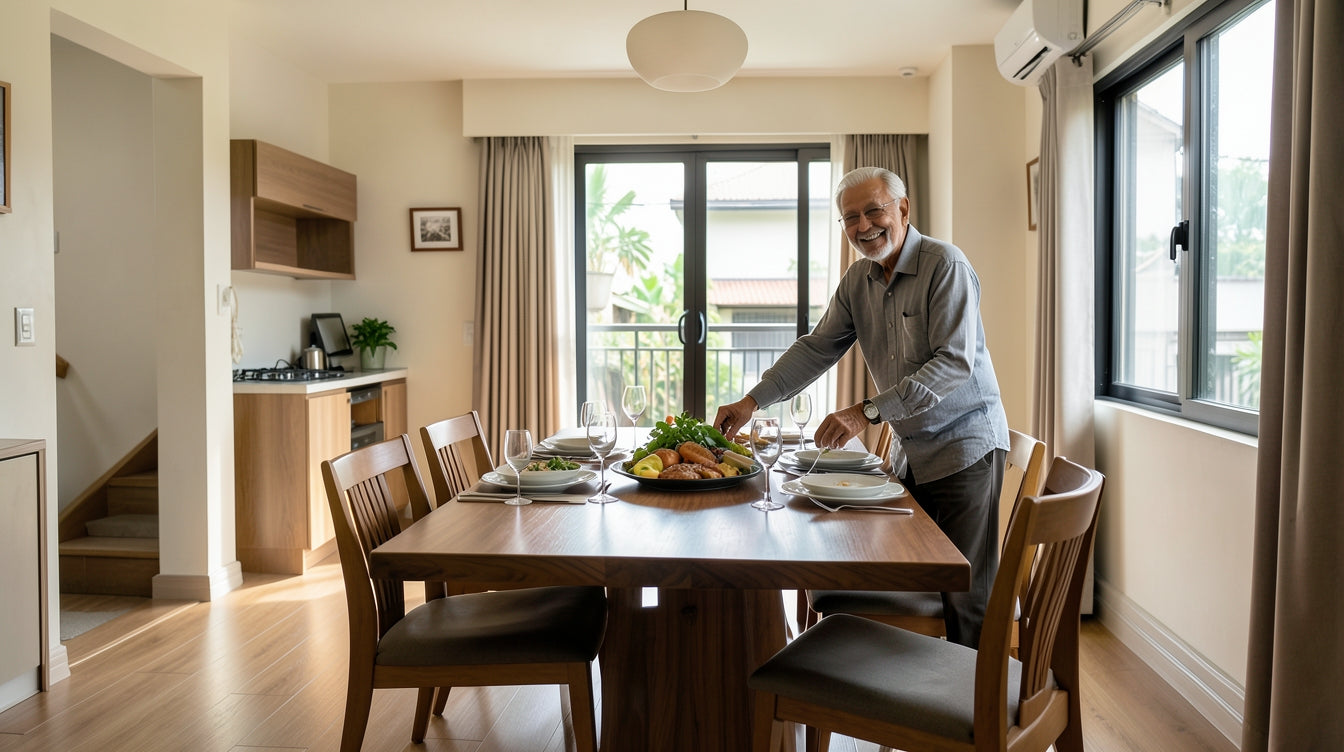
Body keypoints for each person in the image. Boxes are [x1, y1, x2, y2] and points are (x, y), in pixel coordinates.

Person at [714, 166, 1009, 647]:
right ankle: (914, 675)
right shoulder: (858, 280)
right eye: (850, 217)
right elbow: (817, 349)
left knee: (965, 593)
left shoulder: (945, 266)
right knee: (908, 567)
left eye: (874, 211)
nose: (863, 226)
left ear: (903, 209)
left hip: (964, 445)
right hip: (911, 452)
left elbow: (953, 364)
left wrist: (865, 412)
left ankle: (975, 691)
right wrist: (752, 401)